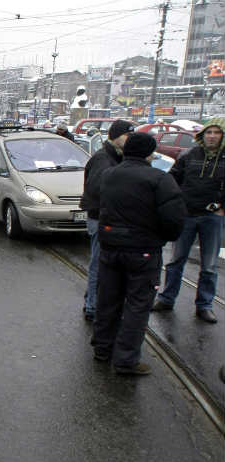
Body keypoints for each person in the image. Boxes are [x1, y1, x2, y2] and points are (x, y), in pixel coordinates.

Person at [92, 133, 186, 375]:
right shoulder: (160, 179)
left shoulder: (109, 174)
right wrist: (161, 237)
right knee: (137, 305)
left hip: (111, 247)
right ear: (149, 153)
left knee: (108, 300)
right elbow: (174, 219)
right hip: (143, 250)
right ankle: (126, 360)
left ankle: (102, 348)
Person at [152, 118, 225, 323]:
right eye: (208, 132)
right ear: (202, 135)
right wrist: (174, 205)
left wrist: (222, 208)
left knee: (209, 265)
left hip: (212, 217)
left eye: (216, 133)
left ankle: (204, 305)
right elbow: (173, 180)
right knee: (176, 260)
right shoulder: (189, 155)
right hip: (187, 215)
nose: (212, 136)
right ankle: (167, 298)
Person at [79, 119, 135, 321]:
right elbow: (97, 189)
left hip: (107, 217)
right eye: (127, 135)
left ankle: (92, 299)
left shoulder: (117, 156)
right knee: (99, 264)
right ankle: (92, 306)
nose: (129, 139)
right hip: (101, 218)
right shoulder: (104, 158)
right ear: (115, 136)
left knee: (103, 263)